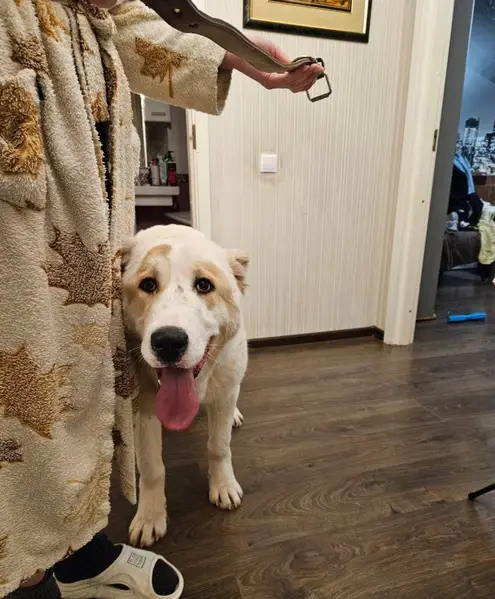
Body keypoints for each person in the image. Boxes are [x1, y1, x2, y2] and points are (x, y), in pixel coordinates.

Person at [0, 1, 322, 598]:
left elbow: (125, 19)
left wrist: (237, 55)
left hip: (83, 185)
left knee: (124, 395)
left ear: (236, 285)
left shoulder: (97, 12)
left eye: (205, 286)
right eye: (148, 286)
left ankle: (79, 550)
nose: (172, 315)